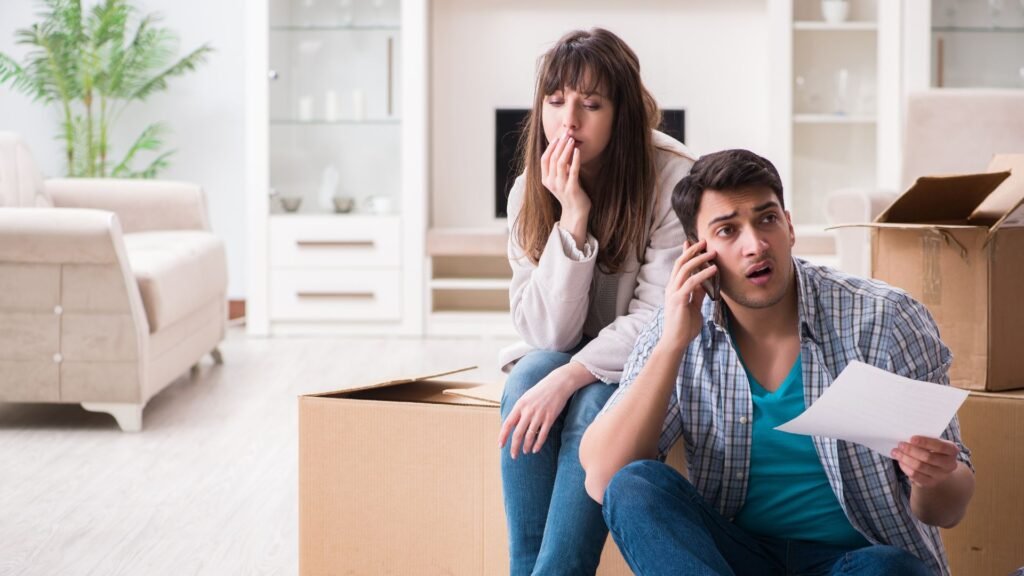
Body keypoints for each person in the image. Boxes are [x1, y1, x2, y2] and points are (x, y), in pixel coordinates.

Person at [579, 149, 975, 576]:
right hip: (736, 559)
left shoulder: (885, 319)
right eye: (728, 230)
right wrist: (673, 343)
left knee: (891, 569)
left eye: (766, 219)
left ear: (789, 226)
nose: (756, 244)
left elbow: (947, 509)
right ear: (697, 253)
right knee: (635, 487)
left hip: (858, 563)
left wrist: (932, 477)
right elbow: (604, 479)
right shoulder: (676, 326)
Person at [497, 28, 698, 576]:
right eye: (557, 101)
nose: (569, 121)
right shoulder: (528, 190)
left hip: (654, 363)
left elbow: (661, 320)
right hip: (577, 352)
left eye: (591, 104)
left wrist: (570, 377)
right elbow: (548, 336)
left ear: (623, 112)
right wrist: (572, 218)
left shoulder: (673, 179)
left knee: (587, 402)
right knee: (526, 376)